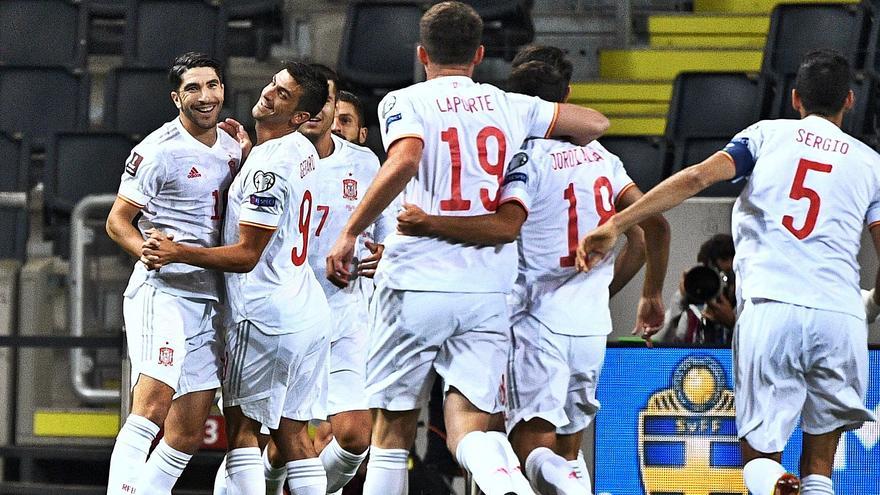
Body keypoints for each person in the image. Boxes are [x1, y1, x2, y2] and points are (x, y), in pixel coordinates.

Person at [325, 3, 610, 494]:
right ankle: (510, 488)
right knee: (474, 426)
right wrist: (534, 142)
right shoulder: (508, 104)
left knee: (391, 431)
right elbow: (594, 124)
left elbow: (406, 159)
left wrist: (351, 230)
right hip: (486, 289)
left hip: (416, 280)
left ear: (422, 53)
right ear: (479, 54)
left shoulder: (405, 100)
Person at [577, 49, 879, 495]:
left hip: (771, 310)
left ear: (795, 99)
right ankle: (803, 484)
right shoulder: (872, 164)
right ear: (849, 101)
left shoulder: (765, 136)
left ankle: (776, 481)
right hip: (840, 316)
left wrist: (617, 223)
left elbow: (698, 178)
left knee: (757, 460)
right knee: (821, 463)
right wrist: (870, 303)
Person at [396, 56, 668, 494]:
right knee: (566, 451)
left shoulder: (525, 156)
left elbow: (504, 225)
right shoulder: (602, 157)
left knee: (521, 452)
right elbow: (649, 229)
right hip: (590, 326)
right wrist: (642, 291)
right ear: (569, 97)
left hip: (533, 321)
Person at [141, 62, 331, 495]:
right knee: (294, 436)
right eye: (273, 84)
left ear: (300, 116)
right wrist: (250, 154)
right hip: (306, 310)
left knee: (242, 433)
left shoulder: (268, 167)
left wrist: (177, 251)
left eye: (283, 95)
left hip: (265, 314)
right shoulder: (302, 150)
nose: (268, 93)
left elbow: (247, 255)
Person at [104, 52, 241, 495]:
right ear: (175, 97)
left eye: (213, 86)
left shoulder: (233, 146)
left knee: (186, 431)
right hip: (162, 292)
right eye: (194, 89)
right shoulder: (156, 151)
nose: (206, 97)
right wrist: (143, 250)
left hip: (211, 296)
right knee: (153, 404)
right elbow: (117, 221)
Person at [658, 233, 736, 345]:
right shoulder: (691, 314)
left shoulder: (747, 311)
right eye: (718, 276)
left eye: (730, 276)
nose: (725, 284)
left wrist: (732, 323)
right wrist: (681, 299)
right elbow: (658, 344)